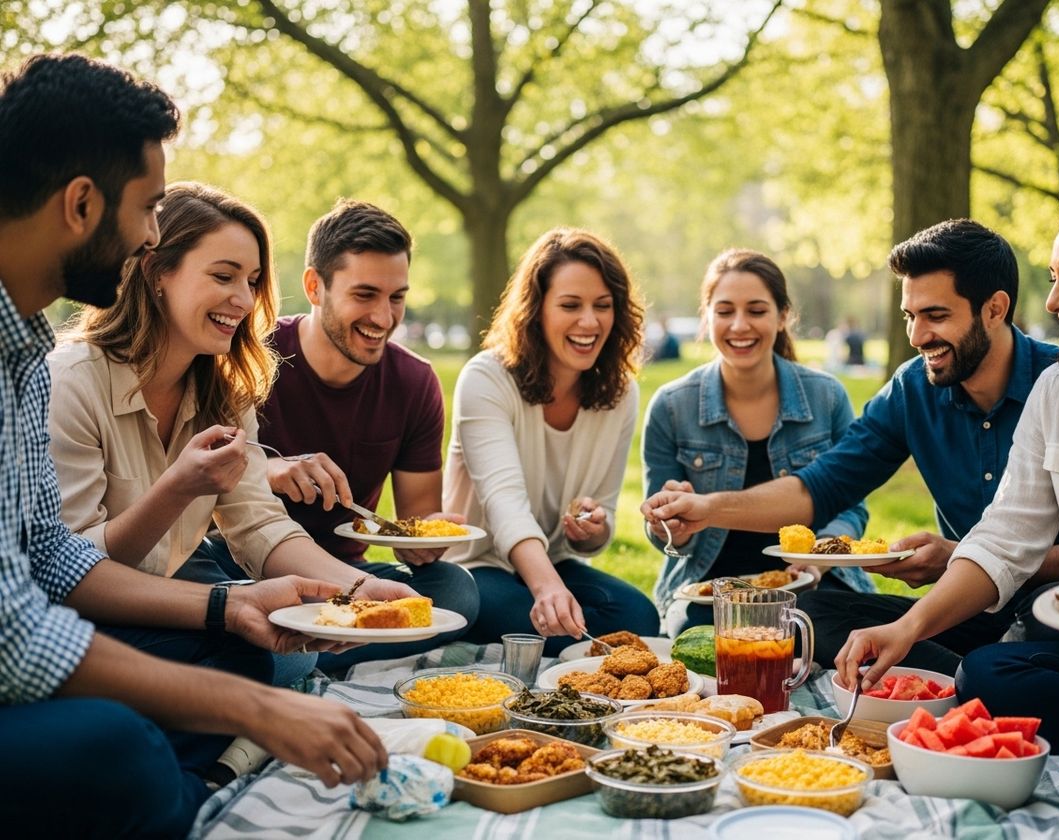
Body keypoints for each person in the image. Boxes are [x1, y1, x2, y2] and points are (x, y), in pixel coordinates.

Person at [0, 54, 385, 838]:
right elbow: (22, 628)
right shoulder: (66, 371)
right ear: (80, 204)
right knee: (127, 747)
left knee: (255, 660)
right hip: (55, 650)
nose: (148, 234)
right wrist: (249, 696)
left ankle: (192, 787)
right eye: (147, 210)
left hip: (111, 619)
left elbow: (53, 559)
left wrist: (242, 604)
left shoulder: (23, 358)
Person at [835, 184, 1059, 834]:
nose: (1055, 301)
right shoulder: (1058, 390)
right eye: (1056, 279)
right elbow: (1004, 539)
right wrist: (910, 628)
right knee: (988, 674)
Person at [643, 219, 1059, 674]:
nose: (917, 336)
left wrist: (959, 555)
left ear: (995, 308)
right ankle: (968, 674)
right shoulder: (913, 389)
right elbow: (819, 488)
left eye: (936, 316)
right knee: (810, 617)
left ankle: (976, 675)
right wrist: (707, 507)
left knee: (1013, 657)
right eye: (911, 316)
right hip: (965, 607)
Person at [257, 199, 479, 669]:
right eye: (365, 295)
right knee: (240, 613)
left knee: (455, 591)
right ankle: (313, 653)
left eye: (396, 297)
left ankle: (306, 651)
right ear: (315, 287)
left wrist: (425, 538)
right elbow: (204, 504)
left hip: (351, 579)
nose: (384, 317)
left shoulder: (414, 382)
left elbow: (410, 533)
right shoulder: (251, 360)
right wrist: (268, 471)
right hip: (254, 570)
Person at [443, 228, 660, 654]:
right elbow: (504, 502)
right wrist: (548, 590)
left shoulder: (620, 393)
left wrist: (590, 531)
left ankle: (551, 625)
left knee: (639, 618)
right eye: (570, 305)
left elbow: (602, 521)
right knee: (540, 623)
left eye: (603, 306)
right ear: (536, 311)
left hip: (555, 563)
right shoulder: (486, 379)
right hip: (476, 564)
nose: (589, 322)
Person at [642, 249, 874, 636]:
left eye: (756, 310)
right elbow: (660, 531)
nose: (739, 325)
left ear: (783, 316)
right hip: (710, 588)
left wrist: (819, 559)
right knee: (699, 640)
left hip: (809, 583)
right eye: (725, 311)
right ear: (707, 315)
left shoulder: (827, 397)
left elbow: (852, 506)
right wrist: (673, 527)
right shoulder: (671, 405)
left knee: (822, 629)